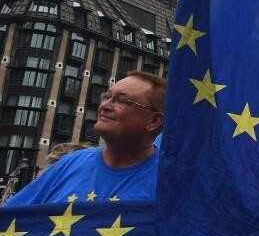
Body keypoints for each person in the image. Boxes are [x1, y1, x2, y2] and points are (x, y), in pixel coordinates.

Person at [3, 71, 164, 205]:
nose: (105, 106)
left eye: (122, 100)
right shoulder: (68, 165)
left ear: (154, 121)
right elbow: (9, 221)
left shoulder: (169, 180)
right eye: (106, 97)